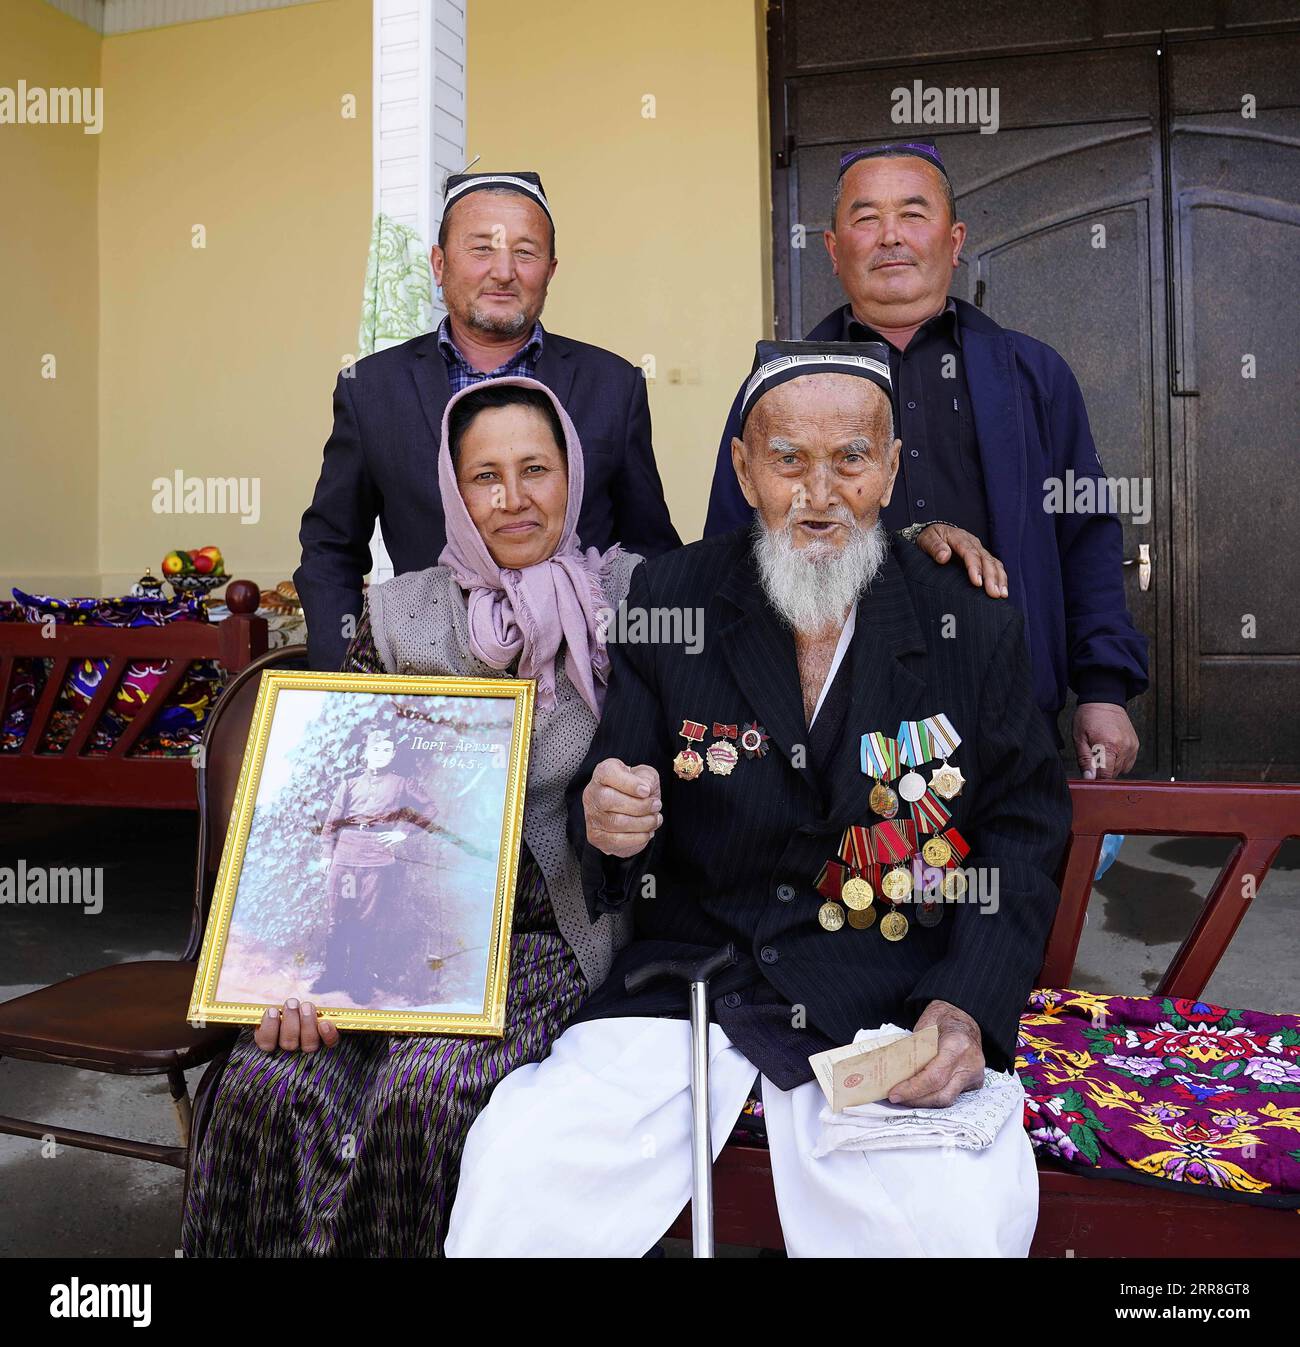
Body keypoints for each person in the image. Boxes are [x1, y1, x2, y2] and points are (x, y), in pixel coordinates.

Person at [446, 342, 1072, 1258]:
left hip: (882, 1001)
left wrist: (964, 1005)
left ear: (891, 467)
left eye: (851, 459)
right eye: (787, 460)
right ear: (744, 469)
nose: (820, 494)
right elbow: (617, 788)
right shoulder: (675, 596)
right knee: (519, 1175)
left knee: (953, 1224)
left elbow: (1022, 833)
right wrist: (609, 820)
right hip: (690, 995)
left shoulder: (969, 623)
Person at [183, 378, 642, 1256]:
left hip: (547, 937)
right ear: (452, 492)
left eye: (536, 469)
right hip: (385, 931)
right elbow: (323, 806)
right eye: (486, 476)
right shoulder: (398, 614)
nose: (514, 498)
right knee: (264, 1084)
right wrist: (285, 973)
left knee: (421, 1092)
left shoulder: (629, 601)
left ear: (573, 476)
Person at [704, 140, 1147, 780]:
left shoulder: (1032, 374)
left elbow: (1086, 538)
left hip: (1006, 708)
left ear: (954, 237)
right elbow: (731, 544)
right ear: (833, 248)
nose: (890, 237)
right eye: (865, 218)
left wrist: (1104, 687)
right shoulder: (779, 385)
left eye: (913, 214)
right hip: (832, 718)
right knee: (850, 879)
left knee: (1013, 875)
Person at [295, 170, 680, 671]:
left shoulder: (612, 384)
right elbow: (330, 547)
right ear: (439, 264)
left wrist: (647, 683)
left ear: (551, 269)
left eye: (525, 252)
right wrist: (345, 678)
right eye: (481, 249)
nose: (504, 272)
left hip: (585, 683)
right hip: (434, 682)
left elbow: (650, 548)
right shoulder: (371, 390)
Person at [313, 728, 439, 1006]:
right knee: (336, 918)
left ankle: (358, 981)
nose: (380, 755)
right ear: (366, 753)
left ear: (392, 755)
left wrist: (402, 832)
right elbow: (332, 822)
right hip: (344, 855)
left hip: (375, 858)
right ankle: (332, 976)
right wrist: (326, 854)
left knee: (365, 920)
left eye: (386, 750)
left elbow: (430, 809)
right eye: (376, 749)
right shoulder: (349, 784)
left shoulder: (401, 783)